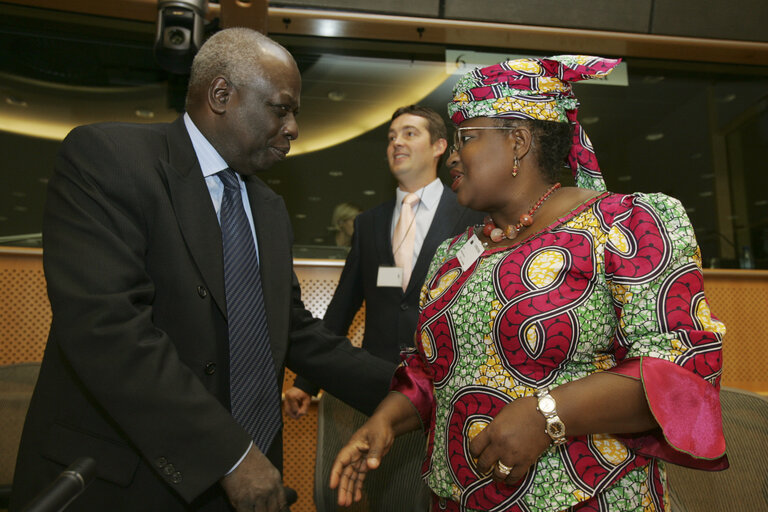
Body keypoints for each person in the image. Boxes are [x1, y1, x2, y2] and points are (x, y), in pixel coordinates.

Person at [10, 28, 396, 512]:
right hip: (120, 487)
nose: (294, 127)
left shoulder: (269, 209)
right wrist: (231, 456)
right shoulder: (108, 159)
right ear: (221, 95)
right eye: (282, 108)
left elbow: (292, 331)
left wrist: (416, 389)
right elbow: (109, 331)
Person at [330, 56, 728, 512]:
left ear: (518, 141)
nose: (453, 156)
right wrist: (385, 420)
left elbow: (679, 370)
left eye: (467, 138)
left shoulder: (626, 225)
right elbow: (429, 371)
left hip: (585, 499)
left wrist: (549, 415)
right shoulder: (453, 254)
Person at [284, 105, 484, 511]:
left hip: (437, 390)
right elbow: (342, 306)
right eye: (392, 136)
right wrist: (306, 382)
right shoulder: (369, 224)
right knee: (362, 497)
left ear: (439, 147)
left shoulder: (472, 216)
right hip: (372, 387)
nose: (396, 142)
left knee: (417, 499)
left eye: (410, 134)